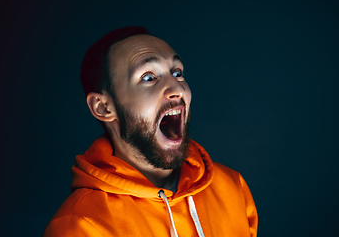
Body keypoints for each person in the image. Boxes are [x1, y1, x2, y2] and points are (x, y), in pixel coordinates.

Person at [43, 26, 258, 237]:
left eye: (177, 73)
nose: (177, 88)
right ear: (103, 107)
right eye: (149, 77)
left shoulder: (232, 187)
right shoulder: (79, 226)